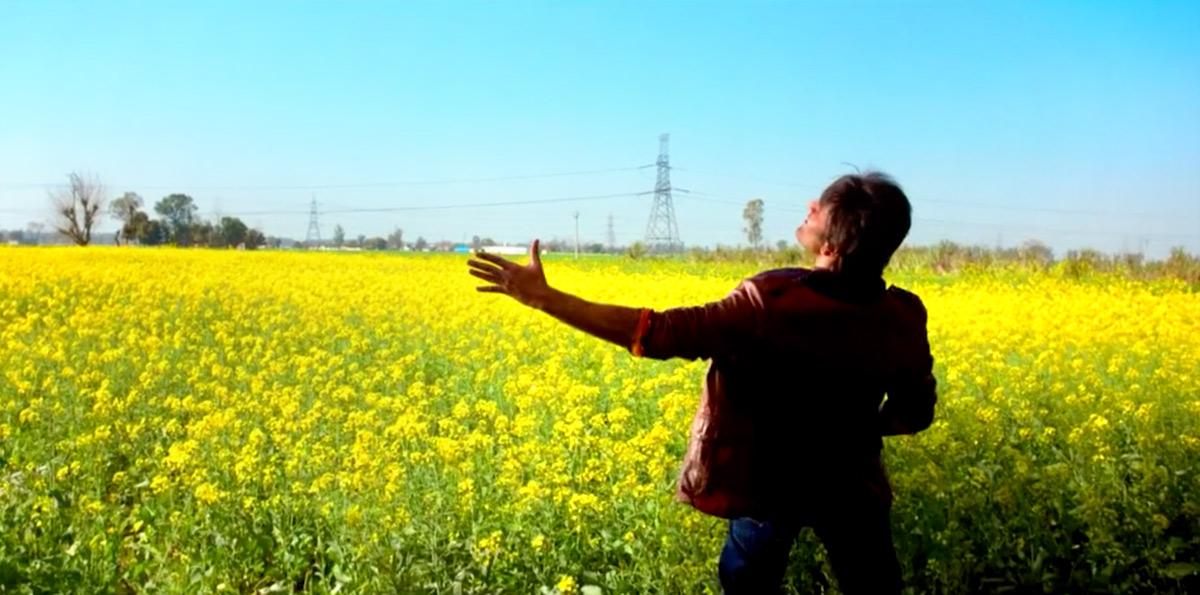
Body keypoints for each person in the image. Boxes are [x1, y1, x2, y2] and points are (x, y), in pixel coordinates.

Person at [466, 171, 937, 594]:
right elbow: (914, 411)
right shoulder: (902, 314)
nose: (809, 207)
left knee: (749, 579)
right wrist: (852, 430)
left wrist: (545, 299)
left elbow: (655, 332)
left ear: (831, 246)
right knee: (872, 581)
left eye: (819, 208)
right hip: (851, 481)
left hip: (767, 484)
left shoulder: (768, 303)